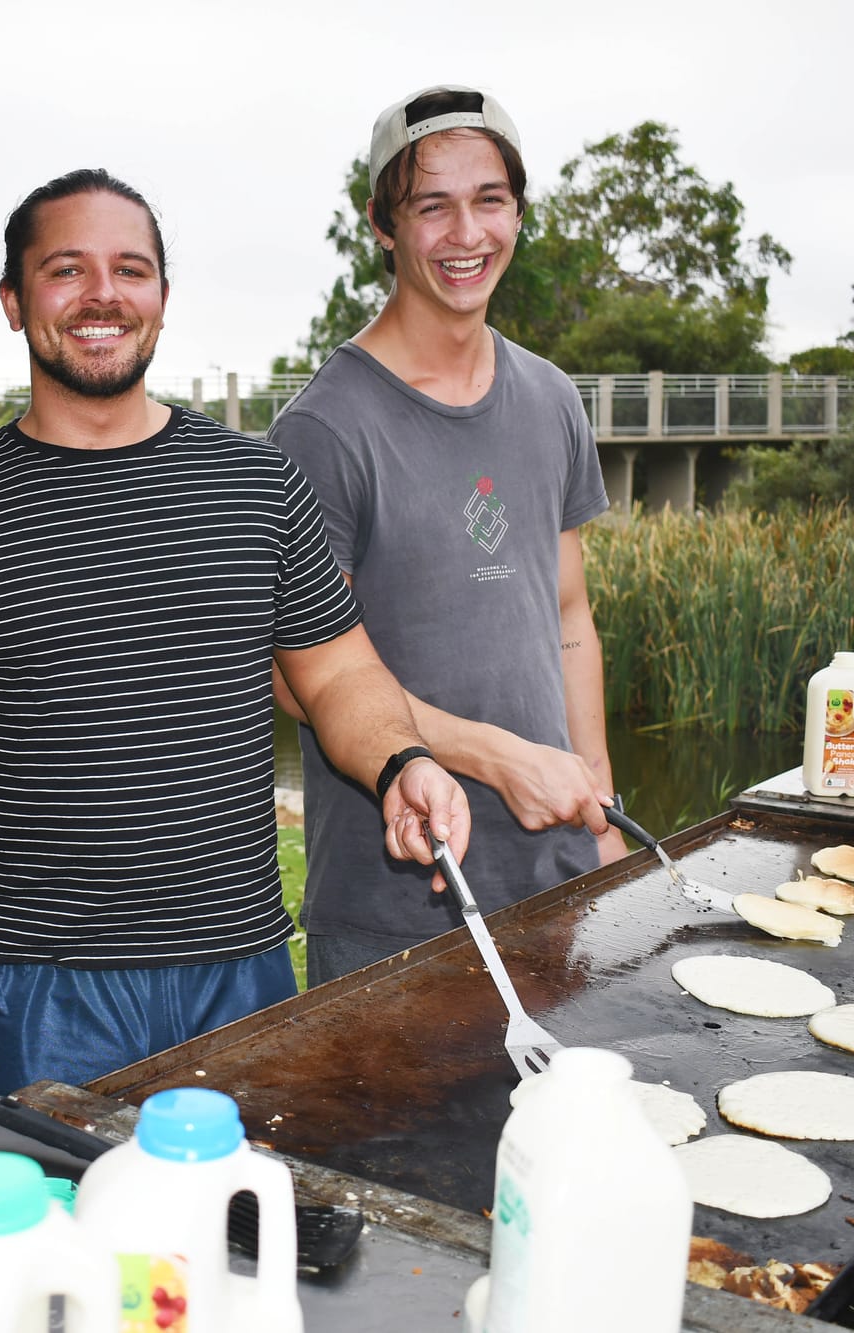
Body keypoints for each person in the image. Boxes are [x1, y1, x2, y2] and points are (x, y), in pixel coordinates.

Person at [0, 168, 468, 1121]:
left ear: (162, 299)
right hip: (32, 985)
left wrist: (404, 760)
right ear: (14, 302)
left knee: (237, 1250)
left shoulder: (257, 486)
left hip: (238, 967)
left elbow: (340, 672)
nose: (104, 294)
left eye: (130, 270)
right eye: (68, 269)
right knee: (31, 1259)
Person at [269, 85, 628, 988]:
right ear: (382, 226)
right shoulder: (324, 429)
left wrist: (602, 807)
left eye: (489, 200)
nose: (466, 234)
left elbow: (571, 616)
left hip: (557, 877)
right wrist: (500, 760)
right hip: (399, 902)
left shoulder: (551, 398)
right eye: (432, 205)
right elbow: (301, 678)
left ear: (518, 211)